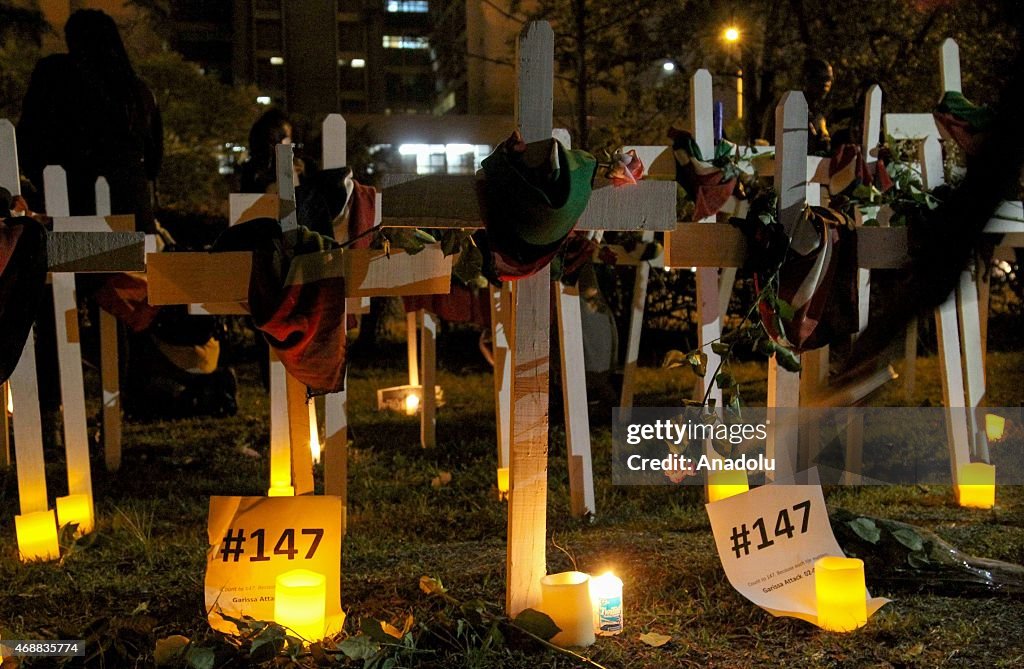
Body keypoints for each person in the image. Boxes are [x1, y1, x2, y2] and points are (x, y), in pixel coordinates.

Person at [17, 9, 162, 232]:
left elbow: (28, 139)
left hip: (73, 208)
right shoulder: (138, 92)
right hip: (133, 210)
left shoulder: (55, 76)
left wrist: (42, 186)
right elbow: (153, 162)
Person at [804, 58, 834, 155]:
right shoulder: (793, 106)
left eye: (829, 79)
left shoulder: (819, 109)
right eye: (821, 78)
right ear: (808, 79)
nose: (826, 83)